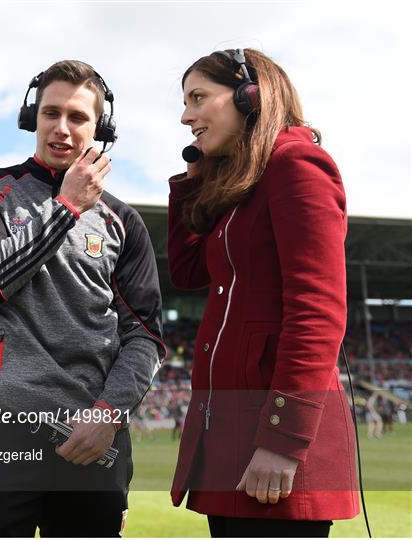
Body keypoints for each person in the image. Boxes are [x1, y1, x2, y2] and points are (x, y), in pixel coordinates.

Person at [0, 60, 166, 537]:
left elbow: (147, 336)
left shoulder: (124, 222)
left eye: (78, 117)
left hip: (93, 438)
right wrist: (67, 206)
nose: (62, 128)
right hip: (4, 432)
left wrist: (109, 414)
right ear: (33, 117)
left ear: (99, 129)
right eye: (51, 113)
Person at [168, 49, 359, 538]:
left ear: (251, 97)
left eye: (198, 98)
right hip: (233, 429)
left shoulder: (298, 166)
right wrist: (194, 183)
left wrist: (283, 439)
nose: (186, 116)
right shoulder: (240, 186)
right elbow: (189, 272)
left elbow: (318, 311)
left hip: (274, 439)